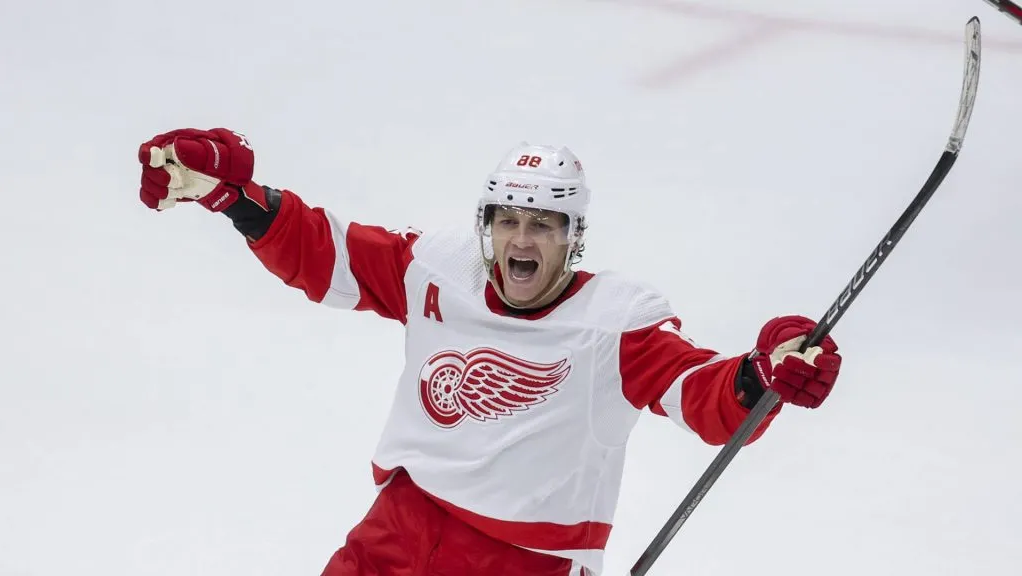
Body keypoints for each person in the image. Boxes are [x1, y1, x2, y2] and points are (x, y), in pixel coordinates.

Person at [137, 128, 842, 576]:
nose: (522, 241)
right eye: (508, 220)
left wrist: (764, 373)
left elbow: (702, 393)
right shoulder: (441, 269)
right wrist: (234, 197)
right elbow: (327, 252)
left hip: (524, 561)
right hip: (398, 529)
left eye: (544, 224)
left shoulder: (614, 324)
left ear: (573, 237)